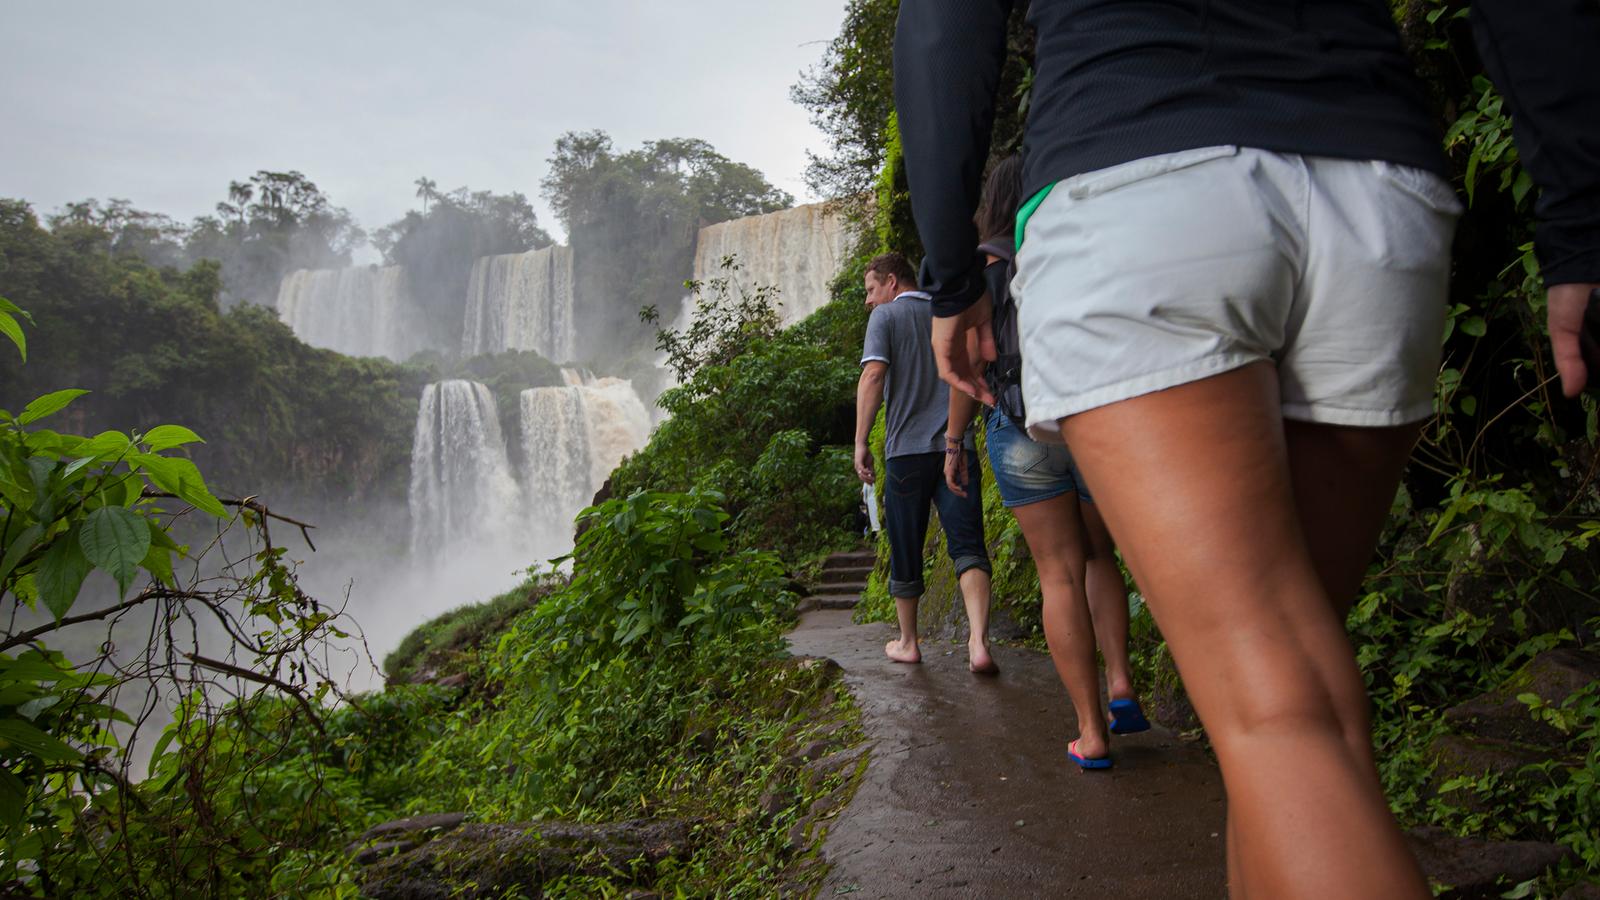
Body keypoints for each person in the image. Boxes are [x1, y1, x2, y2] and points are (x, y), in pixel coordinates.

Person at [893, 1, 1598, 897]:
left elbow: (946, 24)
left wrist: (951, 277)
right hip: (1376, 193)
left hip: (1137, 188)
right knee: (1292, 713)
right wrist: (1578, 218)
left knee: (1278, 720)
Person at [943, 154, 1149, 770]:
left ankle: (1092, 733)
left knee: (1057, 574)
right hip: (1088, 416)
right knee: (1098, 556)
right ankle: (1120, 685)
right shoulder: (1074, 245)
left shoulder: (977, 270)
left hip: (1018, 419)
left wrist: (954, 443)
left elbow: (965, 366)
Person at [854, 252, 997, 672]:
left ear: (893, 282)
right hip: (959, 447)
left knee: (905, 547)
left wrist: (861, 440)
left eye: (870, 289)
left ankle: (909, 641)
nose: (868, 300)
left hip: (906, 453)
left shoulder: (886, 318)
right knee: (968, 544)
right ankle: (978, 642)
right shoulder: (948, 311)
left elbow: (874, 376)